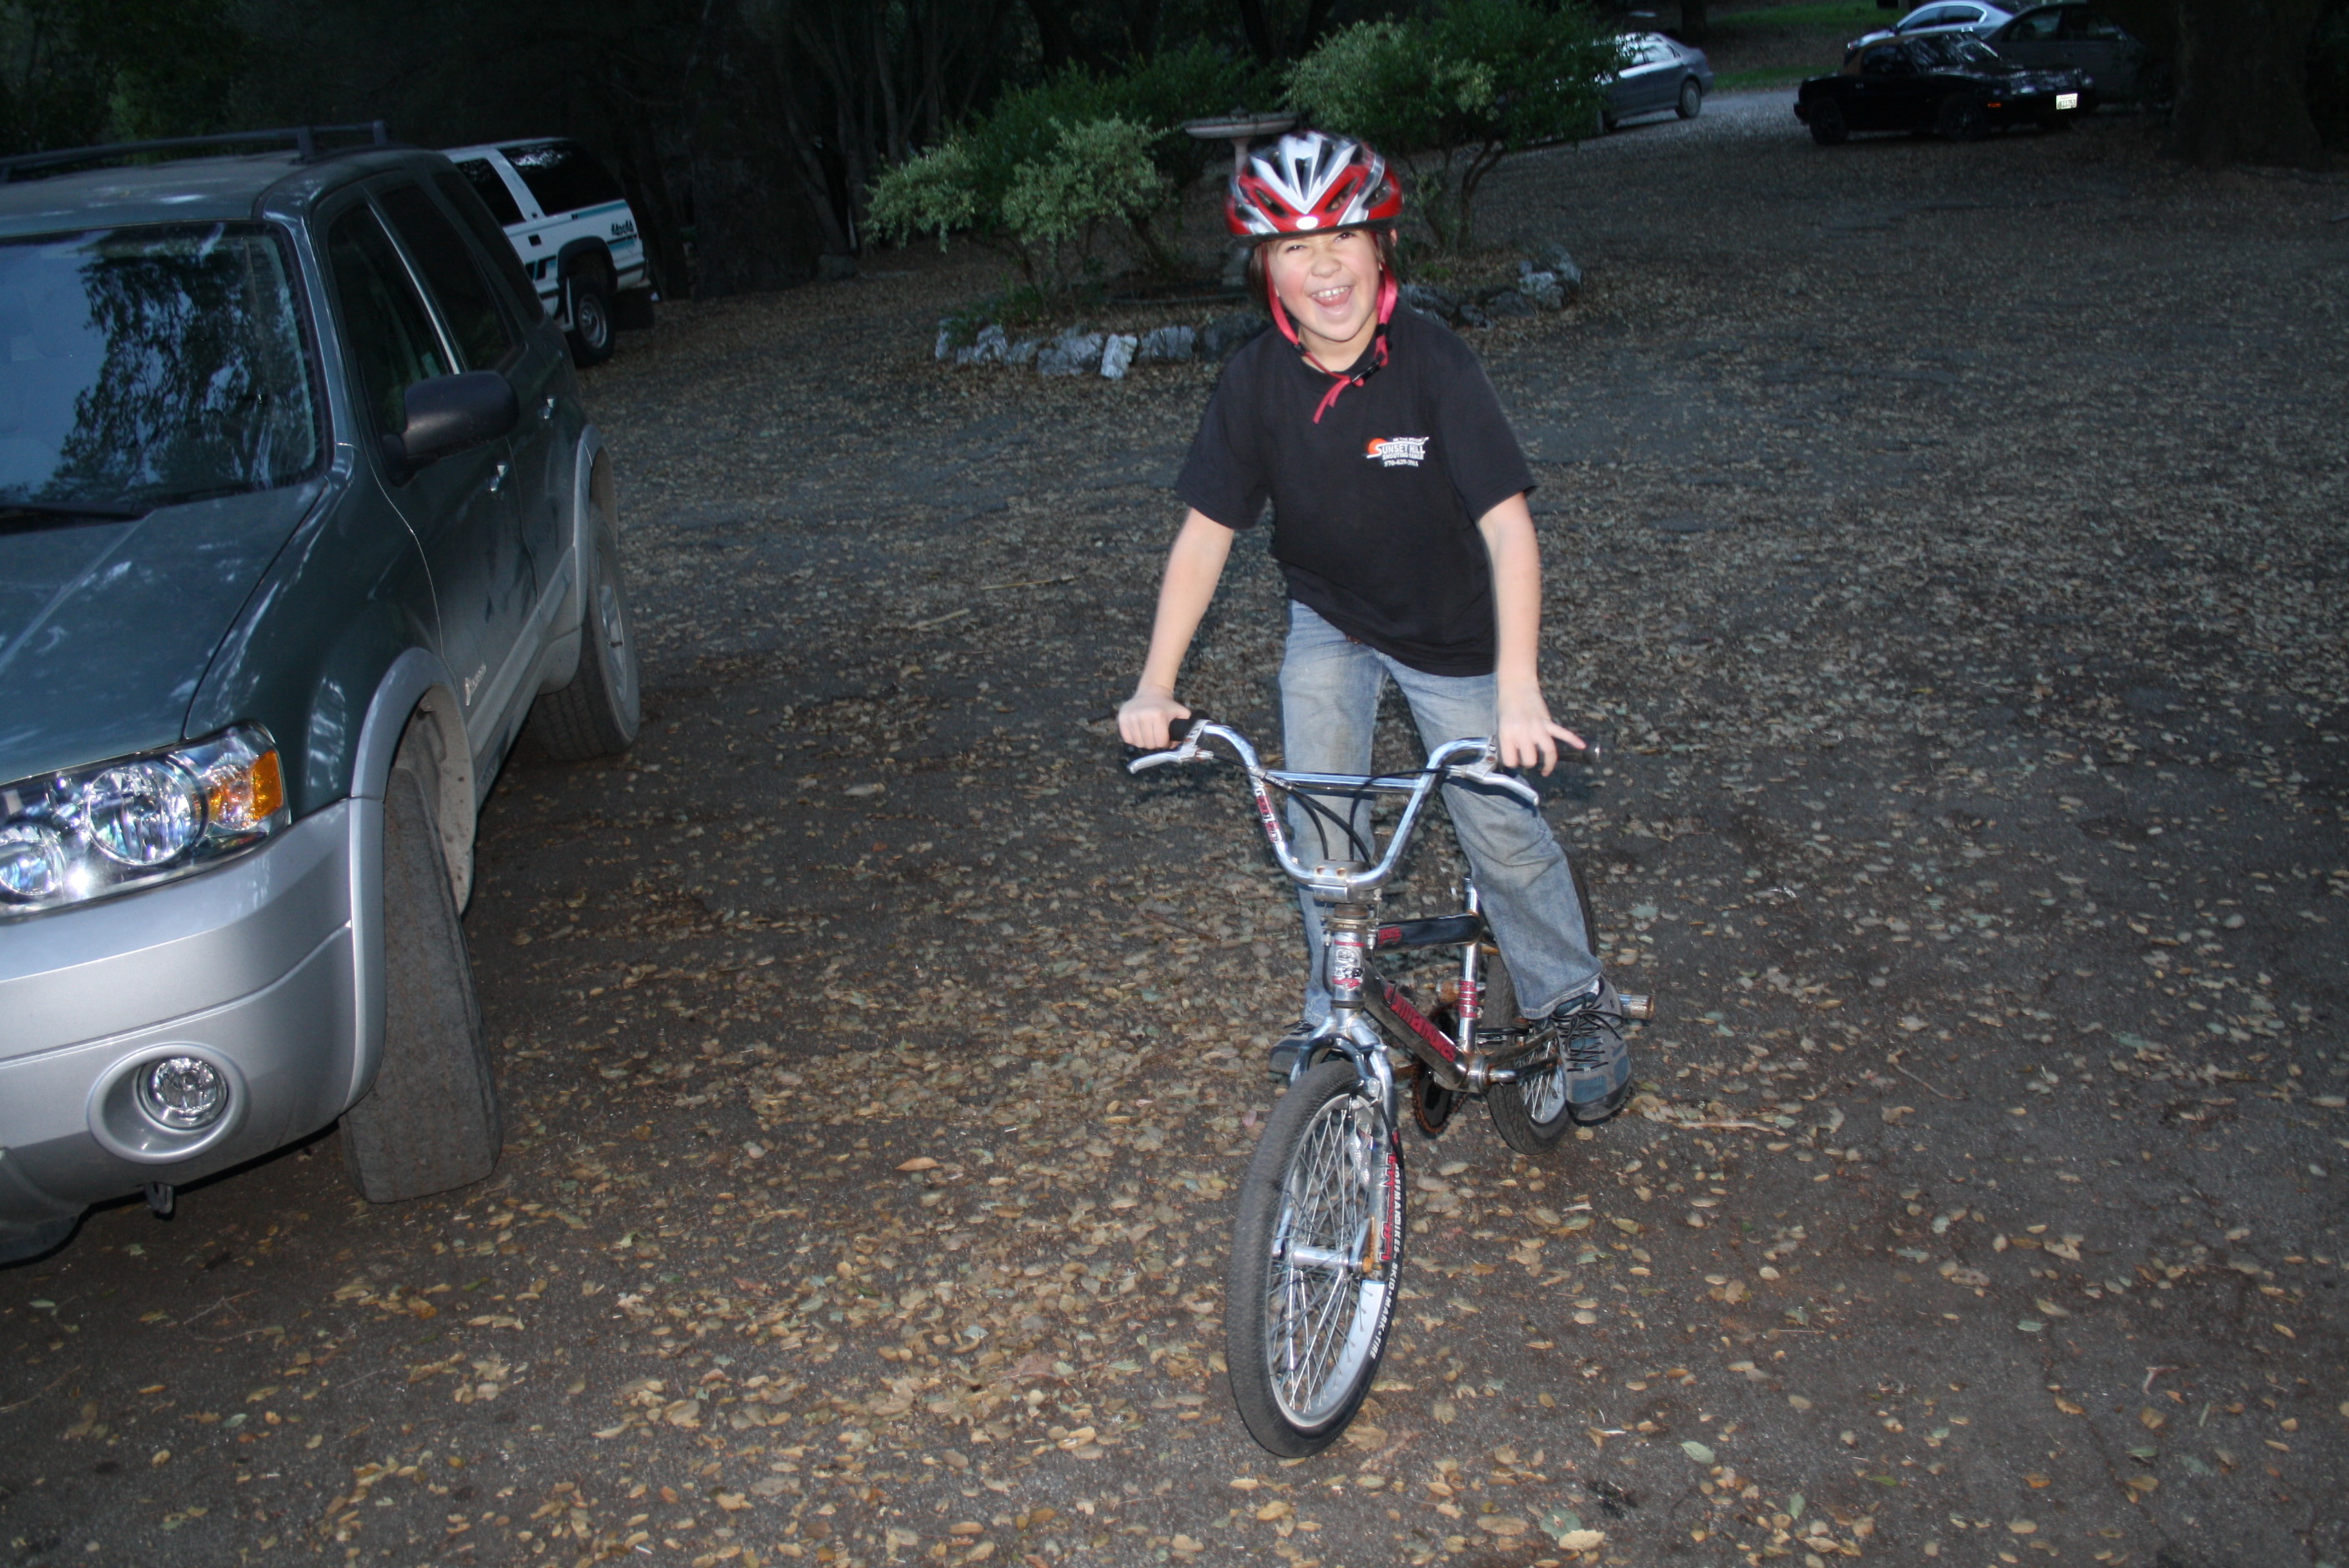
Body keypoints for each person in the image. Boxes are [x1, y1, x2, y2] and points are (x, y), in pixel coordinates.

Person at [1116, 128, 1632, 1125]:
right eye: (1295, 247)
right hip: (1332, 617)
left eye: (1342, 237)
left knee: (1496, 822)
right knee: (1320, 828)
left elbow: (1508, 530)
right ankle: (1337, 1009)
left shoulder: (1434, 363)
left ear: (1382, 246)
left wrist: (1518, 688)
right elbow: (1203, 538)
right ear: (1265, 269)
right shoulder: (1254, 381)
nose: (1324, 267)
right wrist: (1155, 681)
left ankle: (1574, 1000)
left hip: (1451, 634)